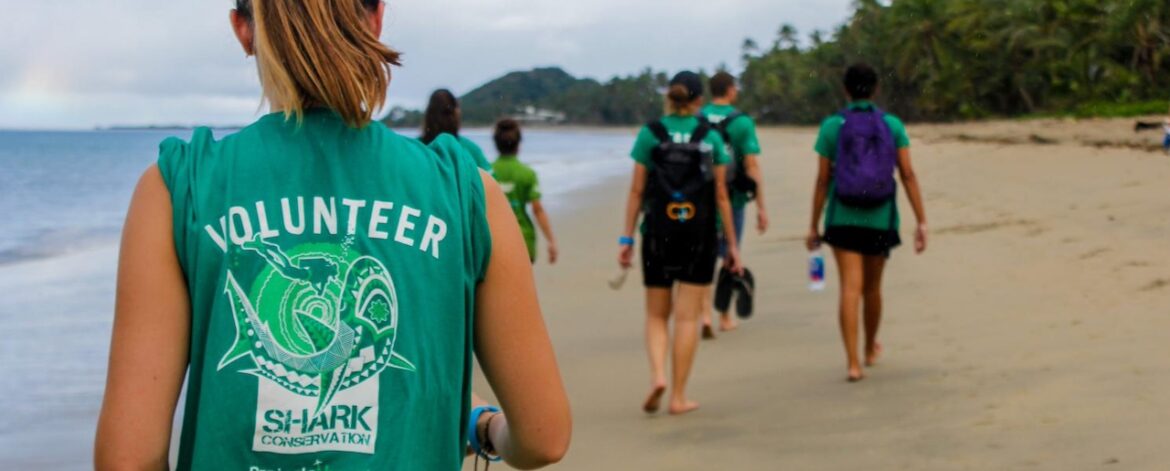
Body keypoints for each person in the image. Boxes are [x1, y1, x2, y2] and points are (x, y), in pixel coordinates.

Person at [94, 1, 570, 470]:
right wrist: (485, 426)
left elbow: (127, 459)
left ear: (243, 28)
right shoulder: (464, 191)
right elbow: (544, 438)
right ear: (377, 18)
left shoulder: (179, 189)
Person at [620, 71, 741, 415]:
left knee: (657, 315)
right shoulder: (710, 137)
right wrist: (731, 245)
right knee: (687, 319)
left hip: (658, 234)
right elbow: (721, 195)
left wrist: (627, 237)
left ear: (670, 97)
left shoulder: (650, 134)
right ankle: (678, 396)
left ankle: (657, 375)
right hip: (699, 236)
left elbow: (636, 191)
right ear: (699, 100)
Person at [806, 63, 927, 383]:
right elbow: (908, 174)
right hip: (880, 217)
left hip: (843, 217)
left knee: (850, 287)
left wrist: (813, 225)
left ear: (845, 90)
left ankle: (852, 364)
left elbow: (821, 181)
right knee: (872, 289)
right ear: (875, 90)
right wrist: (921, 220)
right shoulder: (891, 124)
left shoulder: (832, 126)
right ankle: (870, 349)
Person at [699, 71, 769, 337]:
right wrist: (761, 206)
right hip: (734, 197)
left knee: (704, 255)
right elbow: (752, 165)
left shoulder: (698, 119)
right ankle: (725, 316)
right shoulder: (742, 122)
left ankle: (705, 314)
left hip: (703, 198)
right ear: (730, 90)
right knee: (730, 253)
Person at [491, 118, 558, 264]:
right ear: (519, 144)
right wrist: (551, 241)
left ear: (496, 144)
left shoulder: (487, 173)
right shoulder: (527, 173)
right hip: (523, 240)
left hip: (494, 242)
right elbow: (537, 209)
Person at [421, 89, 492, 171]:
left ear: (428, 115)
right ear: (456, 114)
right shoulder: (470, 150)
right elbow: (491, 180)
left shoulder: (416, 149)